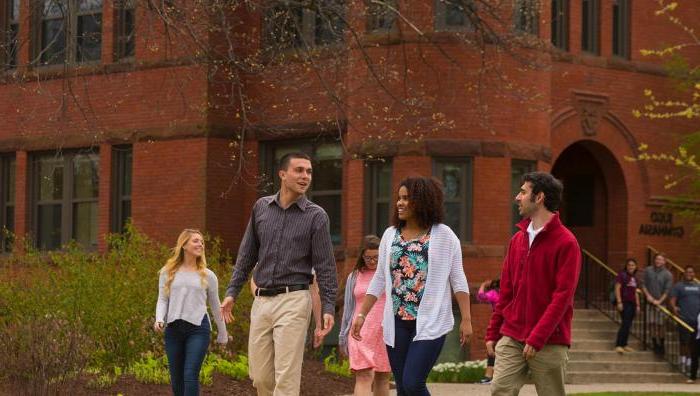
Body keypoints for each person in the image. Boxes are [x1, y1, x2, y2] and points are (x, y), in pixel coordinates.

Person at [220, 152, 338, 396]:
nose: (305, 176)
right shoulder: (261, 208)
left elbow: (325, 266)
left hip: (294, 300)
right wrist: (232, 292)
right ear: (282, 174)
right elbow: (246, 255)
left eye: (309, 171)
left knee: (286, 377)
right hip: (261, 301)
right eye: (299, 170)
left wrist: (327, 307)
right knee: (261, 378)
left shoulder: (316, 216)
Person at [351, 176, 473, 396]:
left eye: (407, 198)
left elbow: (458, 278)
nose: (400, 203)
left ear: (423, 201)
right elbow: (379, 278)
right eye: (399, 198)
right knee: (403, 388)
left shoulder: (444, 236)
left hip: (430, 322)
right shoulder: (390, 235)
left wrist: (466, 319)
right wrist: (361, 315)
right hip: (396, 322)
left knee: (413, 383)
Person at [485, 171, 581, 396]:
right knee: (500, 390)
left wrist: (537, 337)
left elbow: (562, 298)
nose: (517, 197)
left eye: (523, 192)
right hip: (513, 333)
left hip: (550, 339)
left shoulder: (567, 243)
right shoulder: (517, 240)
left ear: (539, 197)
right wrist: (493, 331)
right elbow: (506, 292)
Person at [154, 229, 228, 396]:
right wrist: (159, 319)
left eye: (202, 242)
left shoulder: (208, 276)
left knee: (190, 375)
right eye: (196, 241)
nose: (200, 244)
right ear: (184, 245)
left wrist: (223, 333)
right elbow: (163, 300)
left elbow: (216, 306)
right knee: (176, 378)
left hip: (198, 329)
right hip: (173, 329)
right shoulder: (167, 272)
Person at [338, 235, 391, 396]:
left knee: (383, 377)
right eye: (368, 257)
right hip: (359, 332)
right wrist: (342, 335)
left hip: (385, 332)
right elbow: (348, 308)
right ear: (362, 256)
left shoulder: (390, 274)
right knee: (364, 376)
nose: (372, 261)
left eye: (376, 257)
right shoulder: (354, 277)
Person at [641, 253, 673, 355]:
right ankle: (655, 344)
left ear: (664, 261)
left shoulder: (668, 274)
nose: (658, 261)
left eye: (660, 259)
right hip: (650, 303)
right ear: (654, 260)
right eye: (657, 259)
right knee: (651, 324)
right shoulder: (648, 270)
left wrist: (659, 301)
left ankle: (661, 344)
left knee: (661, 325)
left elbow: (667, 291)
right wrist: (648, 296)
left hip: (661, 304)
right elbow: (642, 284)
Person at [670, 265, 700, 367]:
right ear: (684, 273)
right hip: (683, 318)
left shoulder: (698, 286)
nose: (689, 274)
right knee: (684, 341)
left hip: (696, 319)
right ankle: (683, 360)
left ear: (694, 274)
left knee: (694, 342)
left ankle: (691, 360)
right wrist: (674, 308)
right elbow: (672, 300)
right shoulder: (679, 286)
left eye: (691, 272)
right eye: (687, 272)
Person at [613, 258, 641, 353]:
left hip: (632, 303)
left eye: (633, 265)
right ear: (626, 266)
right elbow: (617, 288)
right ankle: (618, 345)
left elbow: (636, 292)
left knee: (628, 325)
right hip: (624, 303)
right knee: (625, 323)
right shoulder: (622, 275)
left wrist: (638, 305)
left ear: (635, 267)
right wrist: (619, 302)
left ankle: (624, 344)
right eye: (629, 265)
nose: (631, 267)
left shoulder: (635, 278)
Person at [477, 279, 500, 384]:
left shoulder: (493, 294)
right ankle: (494, 377)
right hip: (508, 324)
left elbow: (481, 296)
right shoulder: (510, 293)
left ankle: (489, 376)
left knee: (492, 349)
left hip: (498, 324)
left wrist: (483, 284)